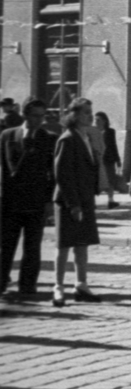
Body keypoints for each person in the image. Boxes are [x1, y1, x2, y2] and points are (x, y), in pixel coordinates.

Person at [1, 99, 54, 302]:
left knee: (32, 247)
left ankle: (27, 285)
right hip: (11, 201)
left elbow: (52, 173)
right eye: (36, 116)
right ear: (25, 114)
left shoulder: (49, 138)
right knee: (6, 245)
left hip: (36, 201)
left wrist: (49, 201)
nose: (40, 120)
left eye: (43, 116)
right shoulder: (7, 135)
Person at [51, 98, 102, 307]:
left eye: (91, 112)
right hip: (69, 201)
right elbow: (62, 174)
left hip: (85, 198)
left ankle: (81, 284)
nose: (90, 116)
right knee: (64, 245)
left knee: (82, 244)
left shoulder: (86, 137)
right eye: (85, 113)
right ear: (74, 115)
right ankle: (58, 287)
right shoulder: (67, 139)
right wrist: (73, 204)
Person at [93, 111, 123, 209]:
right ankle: (93, 202)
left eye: (98, 120)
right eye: (95, 120)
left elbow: (113, 146)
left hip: (108, 160)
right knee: (95, 180)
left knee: (110, 180)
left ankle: (111, 201)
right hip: (96, 160)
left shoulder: (110, 132)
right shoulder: (92, 131)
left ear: (104, 121)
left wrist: (118, 159)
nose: (96, 122)